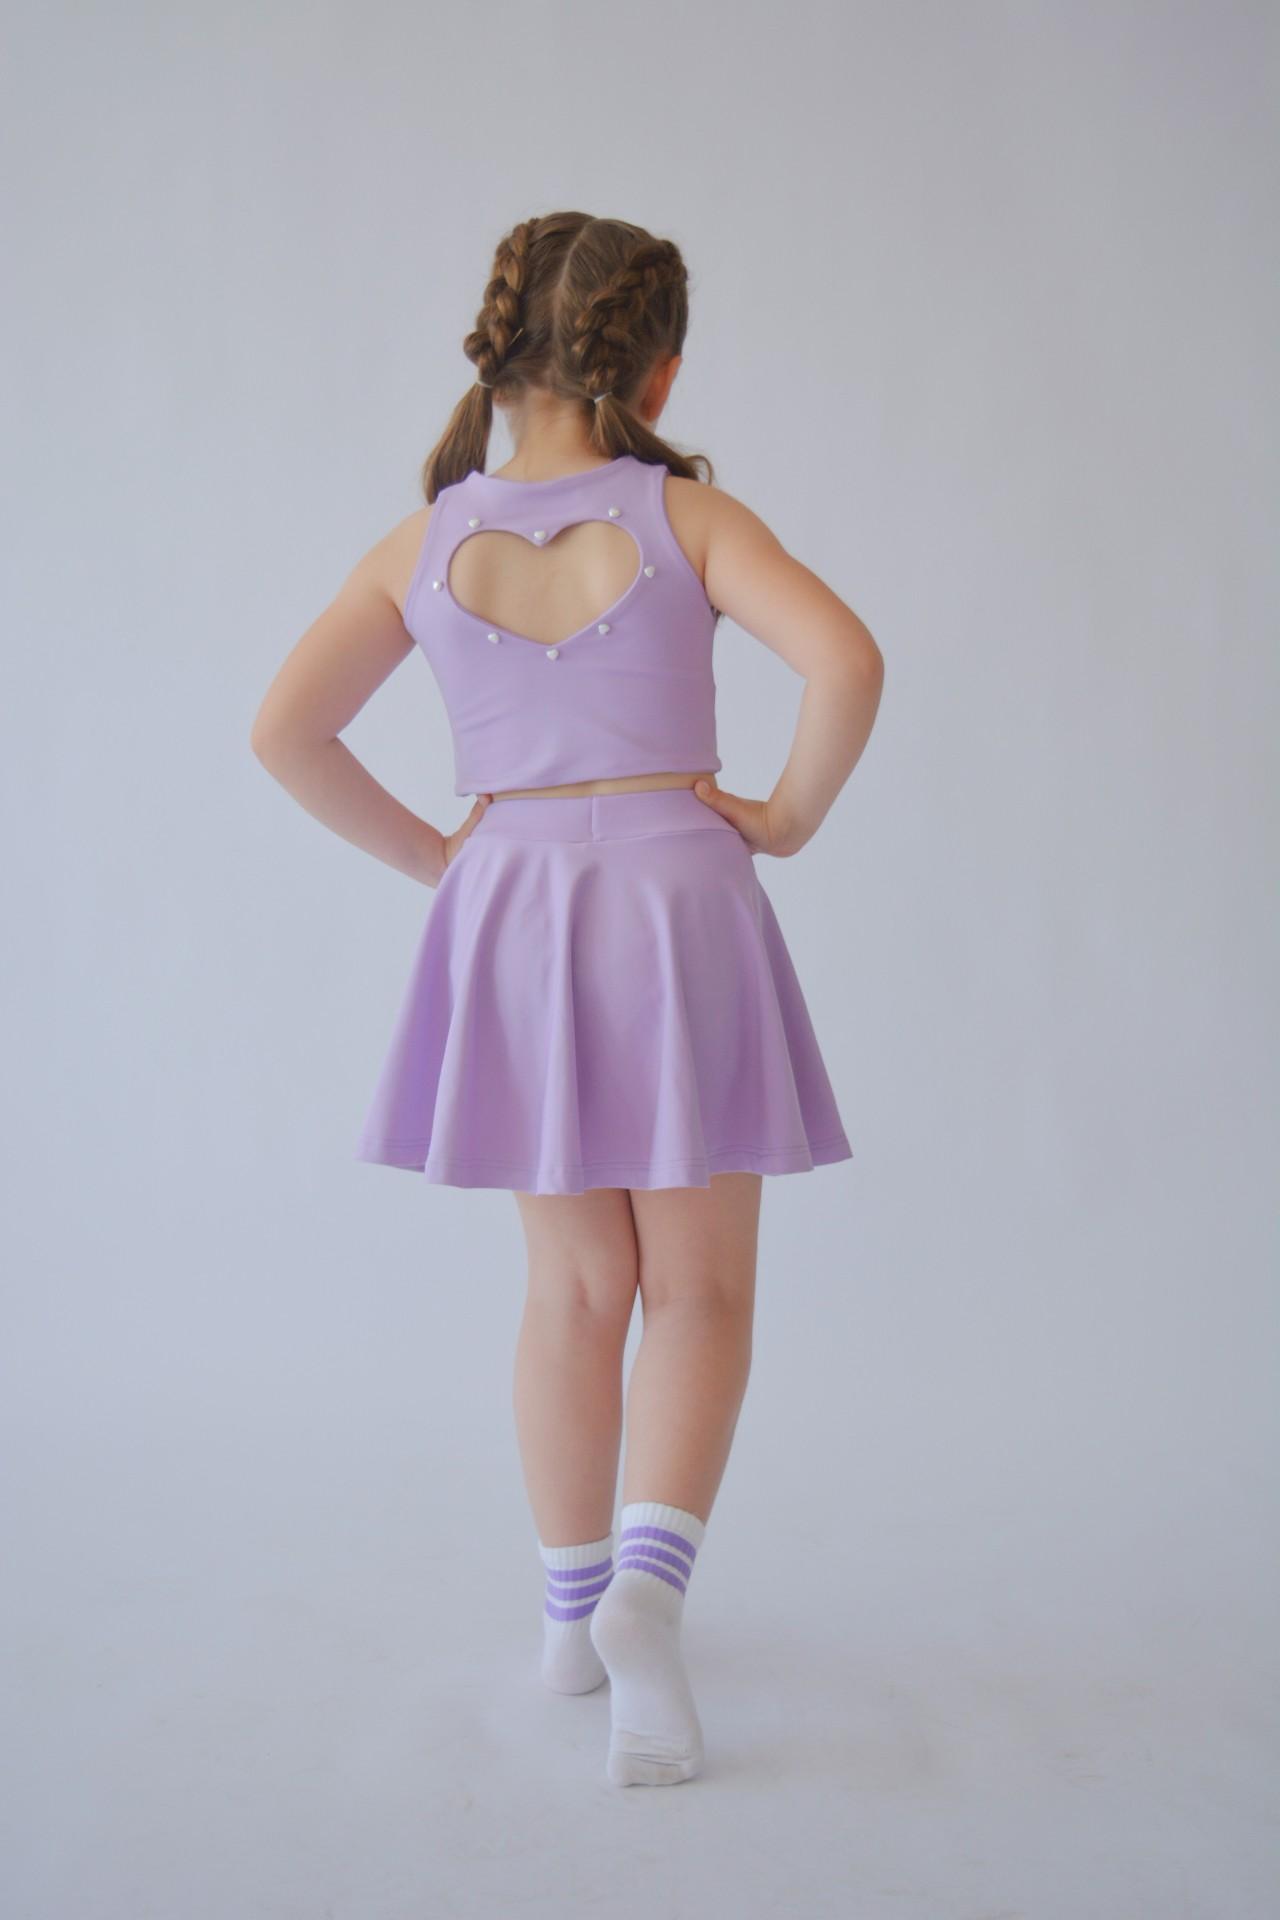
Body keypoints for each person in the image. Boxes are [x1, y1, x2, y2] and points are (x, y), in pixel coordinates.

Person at [250, 211, 884, 1788]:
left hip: (516, 910)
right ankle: (647, 1605)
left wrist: (442, 861)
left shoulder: (419, 545)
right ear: (654, 369)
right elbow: (848, 659)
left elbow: (286, 731)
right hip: (682, 897)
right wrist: (786, 817)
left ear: (502, 346)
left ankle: (566, 1619)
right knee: (702, 1294)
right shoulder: (687, 517)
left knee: (573, 1291)